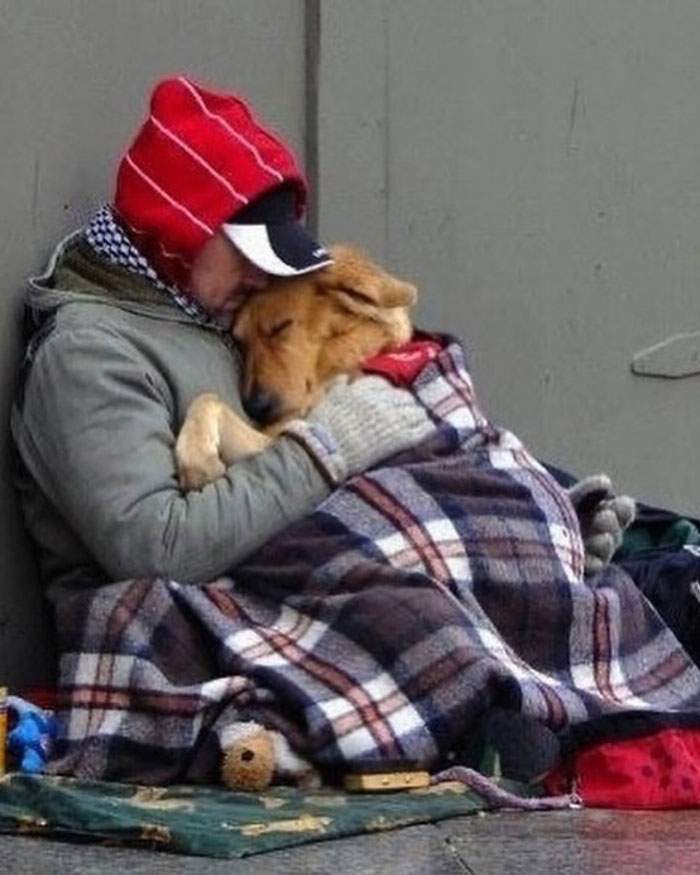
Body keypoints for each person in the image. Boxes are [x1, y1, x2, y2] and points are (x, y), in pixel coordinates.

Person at [11, 75, 435, 603]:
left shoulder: (213, 313)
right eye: (246, 254)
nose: (263, 277)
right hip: (173, 648)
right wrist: (327, 450)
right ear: (181, 234)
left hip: (290, 602)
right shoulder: (87, 354)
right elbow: (160, 549)